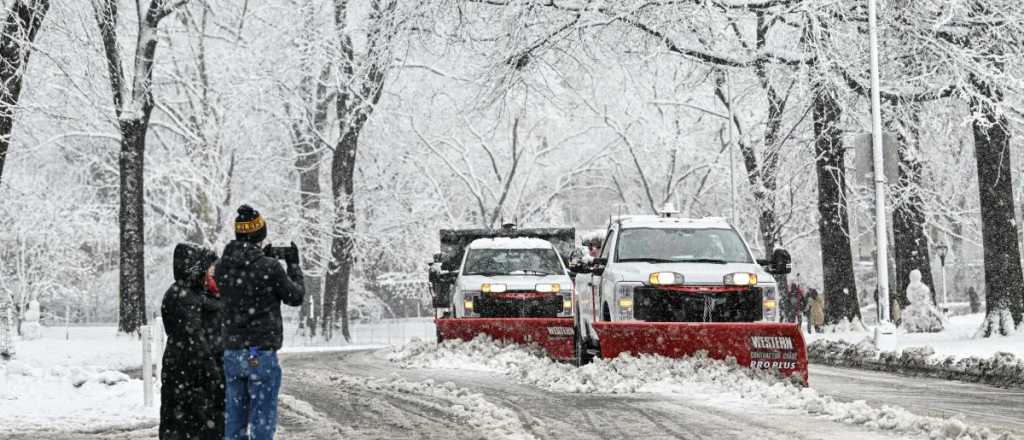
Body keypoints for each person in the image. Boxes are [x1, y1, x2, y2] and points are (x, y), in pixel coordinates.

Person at [215, 205, 305, 440]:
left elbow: (238, 285)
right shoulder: (270, 267)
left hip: (232, 351)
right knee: (262, 419)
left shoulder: (223, 267)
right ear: (260, 235)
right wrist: (294, 267)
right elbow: (295, 297)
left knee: (235, 418)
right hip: (260, 352)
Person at [160, 243, 220, 440]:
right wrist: (213, 371)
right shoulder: (181, 296)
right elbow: (193, 337)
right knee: (184, 426)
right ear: (195, 269)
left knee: (191, 425)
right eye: (207, 267)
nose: (210, 272)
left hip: (189, 374)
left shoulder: (193, 293)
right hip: (186, 373)